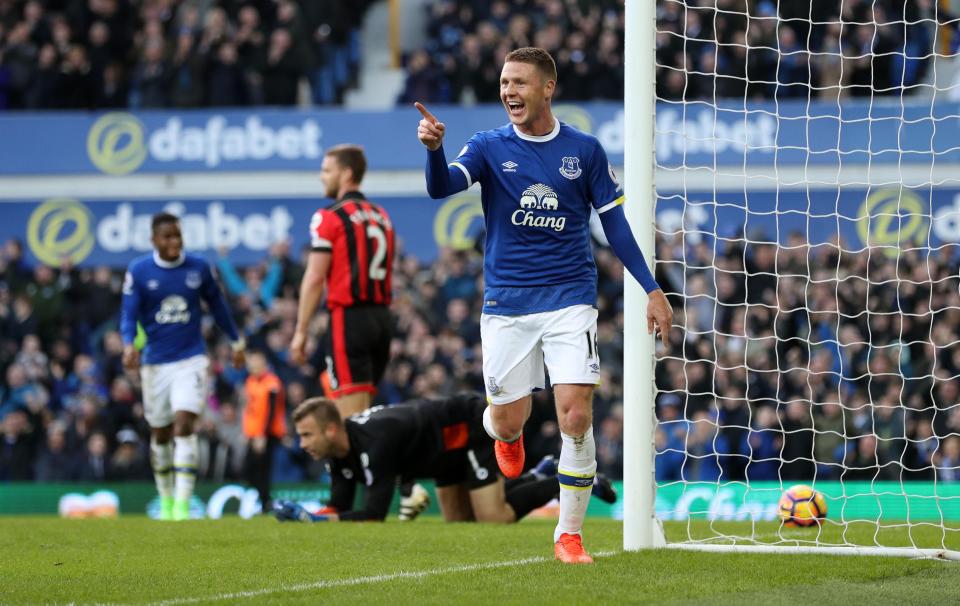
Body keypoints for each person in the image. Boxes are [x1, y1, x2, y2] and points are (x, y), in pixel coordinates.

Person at [415, 47, 673, 563]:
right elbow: (441, 188)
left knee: (576, 416)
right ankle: (501, 433)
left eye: (519, 83)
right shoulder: (488, 146)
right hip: (508, 304)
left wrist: (650, 287)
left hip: (569, 299)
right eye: (504, 82)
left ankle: (569, 534)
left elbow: (614, 225)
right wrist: (435, 150)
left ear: (547, 88)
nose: (508, 91)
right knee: (509, 421)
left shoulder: (586, 151)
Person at [272, 393, 616, 523]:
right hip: (438, 456)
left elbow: (373, 515)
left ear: (332, 430)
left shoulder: (374, 445)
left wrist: (317, 521)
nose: (302, 443)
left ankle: (556, 481)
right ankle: (538, 474)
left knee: (493, 518)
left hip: (465, 431)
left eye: (307, 435)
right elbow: (339, 506)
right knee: (460, 524)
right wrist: (311, 517)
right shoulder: (338, 453)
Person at [121, 212, 245, 521]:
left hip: (191, 359)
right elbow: (128, 314)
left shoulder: (198, 268)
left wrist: (236, 341)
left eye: (178, 235)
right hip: (155, 363)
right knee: (161, 433)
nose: (175, 242)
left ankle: (182, 505)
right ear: (154, 240)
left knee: (185, 422)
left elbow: (218, 305)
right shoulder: (139, 270)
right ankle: (165, 500)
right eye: (168, 237)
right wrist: (127, 344)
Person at [290, 144, 395, 419]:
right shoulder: (382, 216)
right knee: (369, 411)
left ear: (346, 173)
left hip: (350, 319)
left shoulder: (329, 217)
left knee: (352, 418)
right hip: (382, 318)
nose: (321, 176)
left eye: (327, 170)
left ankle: (356, 463)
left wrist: (301, 331)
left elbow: (314, 278)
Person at [242, 350, 286, 512]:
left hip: (268, 433)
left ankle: (265, 503)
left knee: (262, 469)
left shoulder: (272, 383)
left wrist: (262, 434)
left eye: (256, 361)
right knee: (249, 469)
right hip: (253, 434)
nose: (253, 365)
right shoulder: (250, 381)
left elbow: (271, 411)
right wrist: (247, 432)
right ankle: (264, 500)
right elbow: (250, 410)